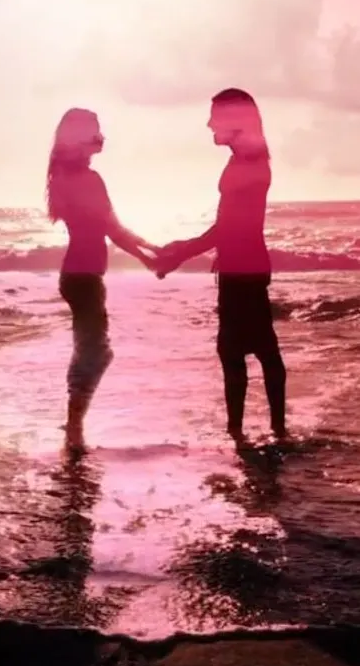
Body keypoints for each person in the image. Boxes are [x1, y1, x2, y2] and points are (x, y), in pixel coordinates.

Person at [155, 88, 287, 443]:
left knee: (249, 349)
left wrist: (184, 251)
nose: (210, 123)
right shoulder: (244, 159)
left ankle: (261, 433)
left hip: (244, 268)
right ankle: (257, 431)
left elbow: (231, 226)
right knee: (248, 349)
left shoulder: (250, 163)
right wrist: (185, 250)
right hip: (239, 266)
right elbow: (228, 224)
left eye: (216, 116)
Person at [46, 107, 157, 450]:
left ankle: (73, 424)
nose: (100, 136)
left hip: (80, 275)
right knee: (95, 352)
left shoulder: (65, 176)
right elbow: (110, 229)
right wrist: (148, 257)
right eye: (94, 131)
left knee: (90, 350)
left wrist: (149, 247)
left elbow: (111, 226)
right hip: (83, 277)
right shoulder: (85, 179)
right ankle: (74, 428)